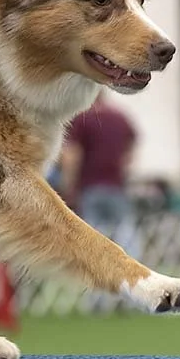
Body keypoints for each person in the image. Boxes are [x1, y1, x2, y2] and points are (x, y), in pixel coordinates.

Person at [59, 93, 141, 263]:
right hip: (116, 186)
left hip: (90, 188)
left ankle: (99, 286)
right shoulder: (120, 117)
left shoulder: (82, 118)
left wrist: (69, 186)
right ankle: (135, 281)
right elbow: (131, 150)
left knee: (94, 238)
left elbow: (72, 156)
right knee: (126, 236)